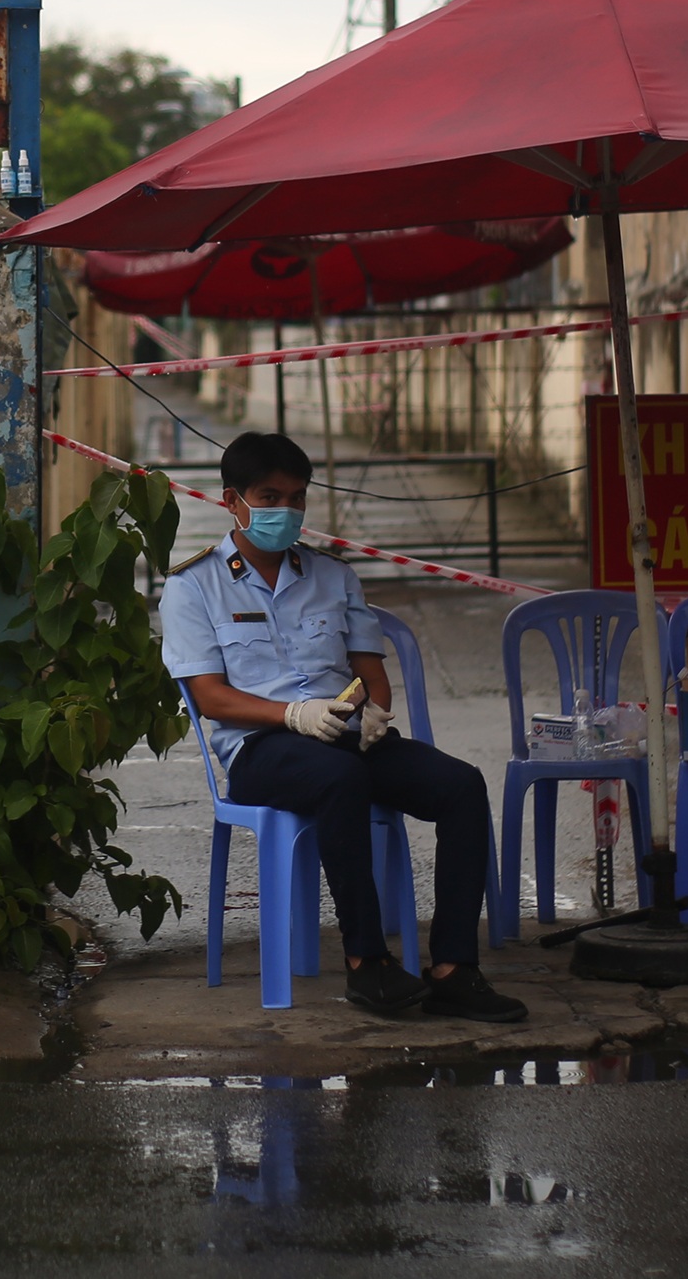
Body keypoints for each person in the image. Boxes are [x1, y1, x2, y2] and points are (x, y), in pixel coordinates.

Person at [162, 431, 525, 1022]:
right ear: (233, 500)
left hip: (344, 733)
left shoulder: (333, 576)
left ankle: (456, 968)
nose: (287, 511)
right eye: (270, 496)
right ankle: (366, 962)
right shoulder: (192, 585)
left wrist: (369, 710)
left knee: (462, 785)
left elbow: (369, 674)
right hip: (261, 748)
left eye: (298, 497)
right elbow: (209, 697)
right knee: (340, 779)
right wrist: (292, 715)